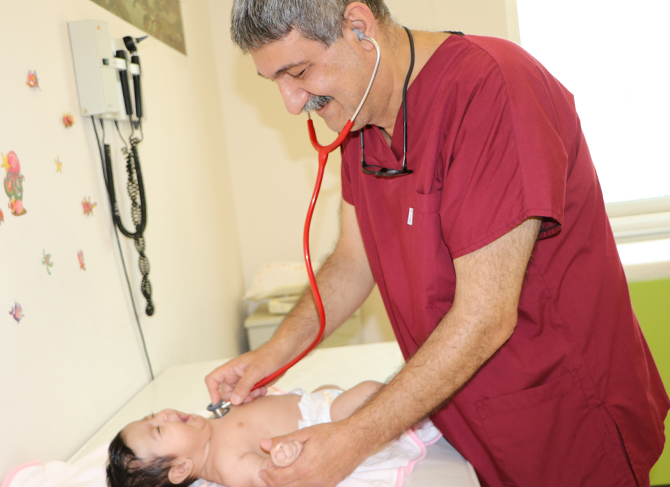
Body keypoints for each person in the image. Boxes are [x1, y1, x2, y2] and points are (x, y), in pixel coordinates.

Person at [206, 1, 670, 487]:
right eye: (275, 81)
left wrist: (350, 440)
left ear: (358, 27)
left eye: (299, 72)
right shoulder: (359, 121)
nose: (291, 102)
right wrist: (272, 354)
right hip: (463, 419)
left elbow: (485, 316)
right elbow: (352, 261)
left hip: (561, 416)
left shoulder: (494, 90)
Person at [105, 380, 437, 487]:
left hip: (309, 399)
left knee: (350, 391)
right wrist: (282, 458)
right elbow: (267, 476)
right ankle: (431, 413)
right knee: (371, 393)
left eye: (151, 416)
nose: (163, 414)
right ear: (180, 468)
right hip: (322, 422)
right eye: (158, 428)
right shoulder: (227, 465)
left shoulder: (208, 424)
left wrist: (247, 394)